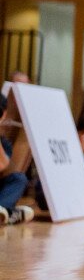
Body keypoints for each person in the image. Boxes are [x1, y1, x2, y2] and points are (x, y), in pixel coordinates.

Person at [0, 94, 33, 226]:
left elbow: (2, 165)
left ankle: (4, 210)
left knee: (18, 179)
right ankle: (11, 214)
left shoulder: (4, 144)